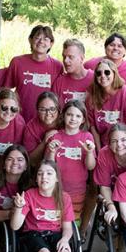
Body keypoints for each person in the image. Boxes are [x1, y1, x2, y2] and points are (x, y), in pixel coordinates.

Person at [45, 100, 96, 234]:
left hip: (77, 190)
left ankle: (73, 247)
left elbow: (90, 166)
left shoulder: (87, 137)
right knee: (56, 221)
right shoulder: (56, 136)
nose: (73, 119)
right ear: (63, 116)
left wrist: (90, 152)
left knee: (73, 222)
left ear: (83, 119)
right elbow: (48, 166)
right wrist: (51, 152)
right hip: (56, 189)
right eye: (70, 114)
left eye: (78, 116)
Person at [93, 123, 126, 252]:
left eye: (123, 140)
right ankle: (111, 249)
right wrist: (110, 205)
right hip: (110, 193)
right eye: (114, 141)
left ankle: (121, 251)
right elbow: (103, 185)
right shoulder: (104, 154)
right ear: (109, 143)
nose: (119, 145)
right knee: (113, 215)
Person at [4, 25, 63, 121]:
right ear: (30, 40)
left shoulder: (57, 66)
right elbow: (7, 90)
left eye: (46, 39)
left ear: (51, 43)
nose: (41, 42)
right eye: (37, 38)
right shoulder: (17, 62)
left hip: (46, 120)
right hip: (19, 118)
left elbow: (58, 96)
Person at [0, 144, 32, 245]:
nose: (15, 163)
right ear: (3, 164)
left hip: (19, 223)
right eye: (10, 159)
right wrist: (13, 213)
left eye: (20, 160)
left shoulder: (31, 184)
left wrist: (17, 215)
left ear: (26, 165)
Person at [86, 59, 126, 150]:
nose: (103, 76)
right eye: (99, 73)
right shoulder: (92, 96)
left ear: (114, 73)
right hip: (104, 146)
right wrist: (100, 150)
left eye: (107, 72)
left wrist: (119, 147)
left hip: (125, 146)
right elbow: (93, 127)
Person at [23, 92, 62, 166]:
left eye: (52, 109)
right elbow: (30, 161)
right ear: (37, 111)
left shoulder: (65, 122)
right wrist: (44, 142)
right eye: (43, 109)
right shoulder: (31, 128)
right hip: (40, 168)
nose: (48, 113)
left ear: (58, 109)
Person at [51, 39, 94, 106]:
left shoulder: (95, 79)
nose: (65, 61)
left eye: (70, 57)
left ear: (81, 58)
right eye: (64, 57)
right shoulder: (59, 82)